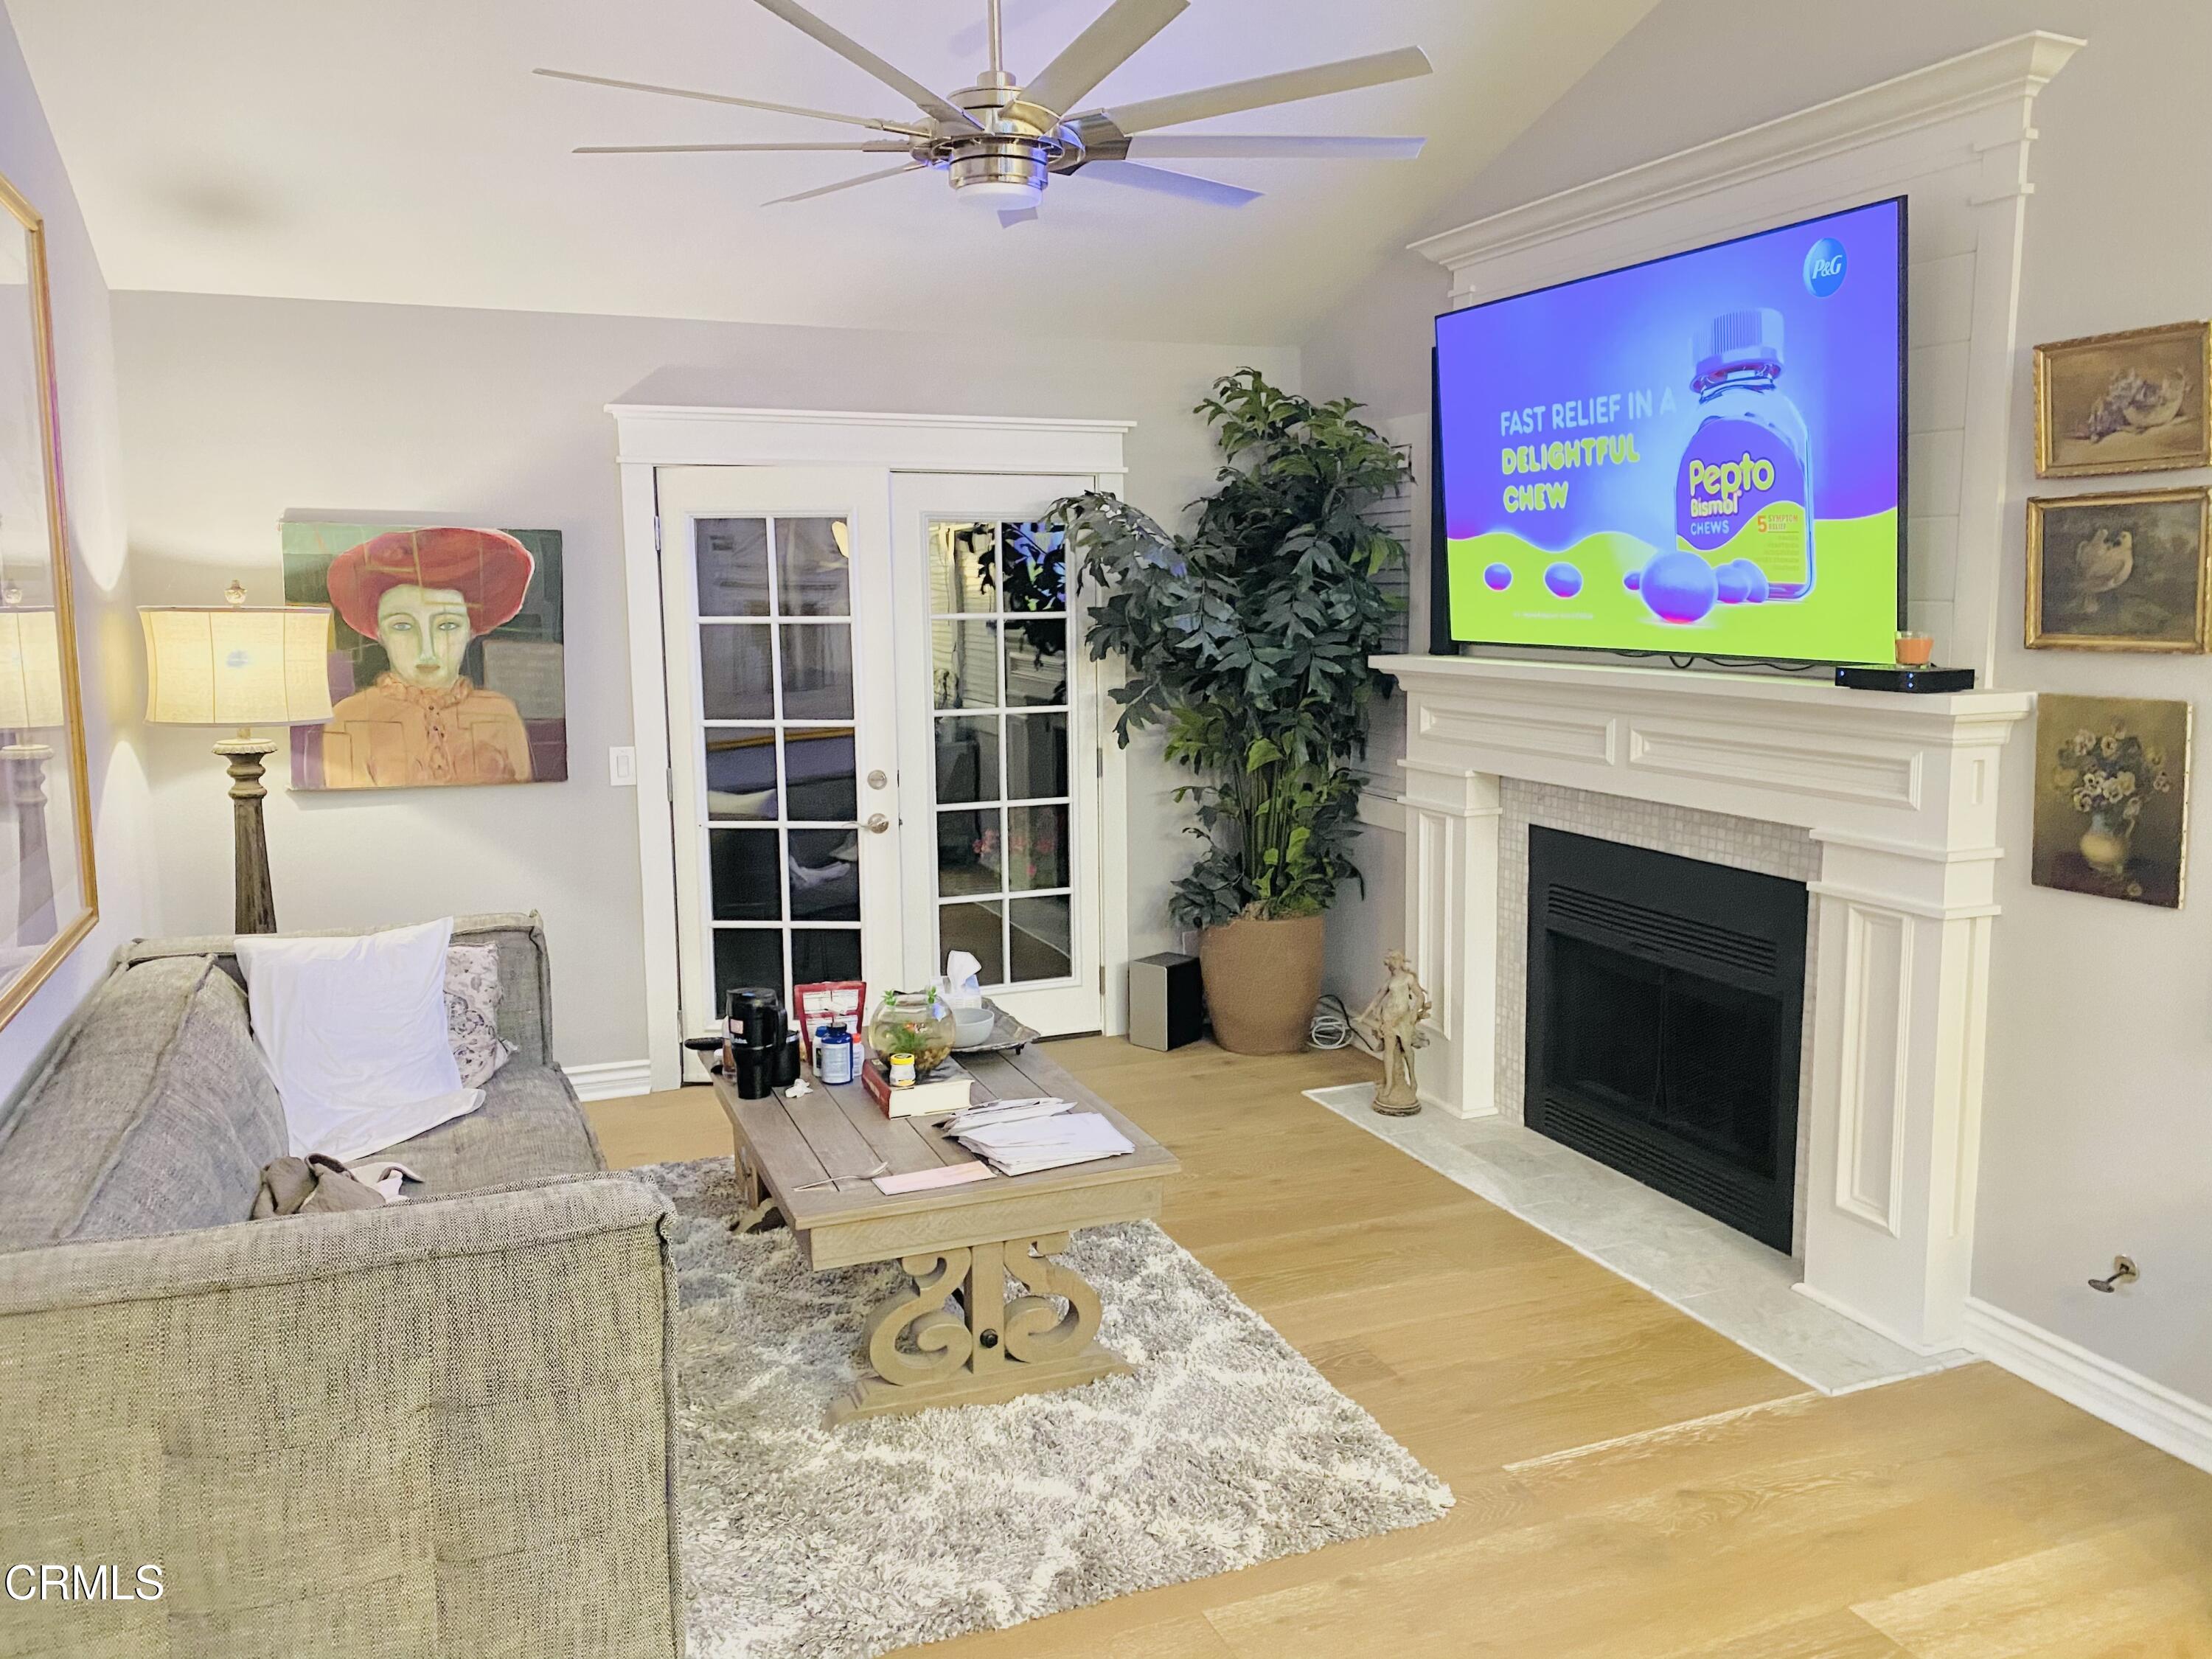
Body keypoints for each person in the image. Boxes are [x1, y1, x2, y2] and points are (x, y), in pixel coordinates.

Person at [317, 527, 536, 788]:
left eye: (447, 626)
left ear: (471, 630)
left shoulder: (501, 713)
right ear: (380, 634)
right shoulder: (349, 718)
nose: (427, 649)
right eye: (402, 626)